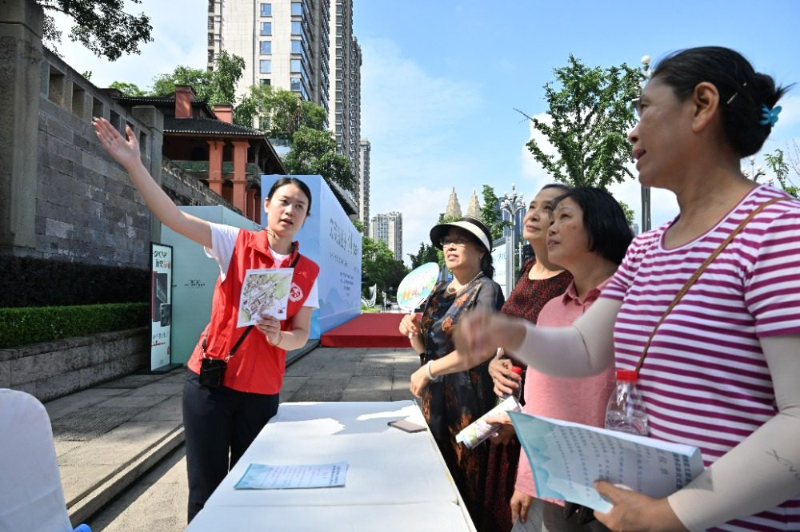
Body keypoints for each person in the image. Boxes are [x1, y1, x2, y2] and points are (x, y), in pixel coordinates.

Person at [452, 46, 800, 531]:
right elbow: (583, 348)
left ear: (702, 105)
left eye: (644, 109)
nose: (632, 132)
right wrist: (510, 333)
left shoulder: (780, 232)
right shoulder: (646, 249)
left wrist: (670, 514)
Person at [92, 118, 321, 522]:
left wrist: (279, 338)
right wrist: (134, 165)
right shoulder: (234, 242)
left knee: (251, 490)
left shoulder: (306, 271)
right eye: (284, 201)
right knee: (206, 491)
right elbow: (173, 217)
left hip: (262, 391)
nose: (290, 210)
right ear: (267, 205)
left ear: (305, 218)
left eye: (299, 206)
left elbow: (300, 333)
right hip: (210, 385)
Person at [489, 187, 633, 531]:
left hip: (618, 495)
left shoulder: (636, 302)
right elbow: (540, 403)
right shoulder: (552, 309)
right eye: (549, 218)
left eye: (563, 216)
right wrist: (528, 477)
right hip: (556, 485)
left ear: (600, 225)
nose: (551, 226)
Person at [398, 216, 504, 530]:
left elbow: (480, 349)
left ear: (481, 250)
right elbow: (425, 349)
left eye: (460, 240)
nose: (450, 247)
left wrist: (429, 370)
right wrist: (413, 332)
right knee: (435, 474)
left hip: (469, 401)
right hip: (434, 401)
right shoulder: (439, 292)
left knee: (468, 477)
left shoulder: (486, 290)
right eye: (447, 241)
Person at [481, 184, 574, 532]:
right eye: (532, 206)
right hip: (508, 410)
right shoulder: (529, 268)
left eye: (548, 209)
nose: (534, 214)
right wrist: (495, 362)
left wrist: (520, 419)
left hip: (538, 422)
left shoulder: (573, 282)